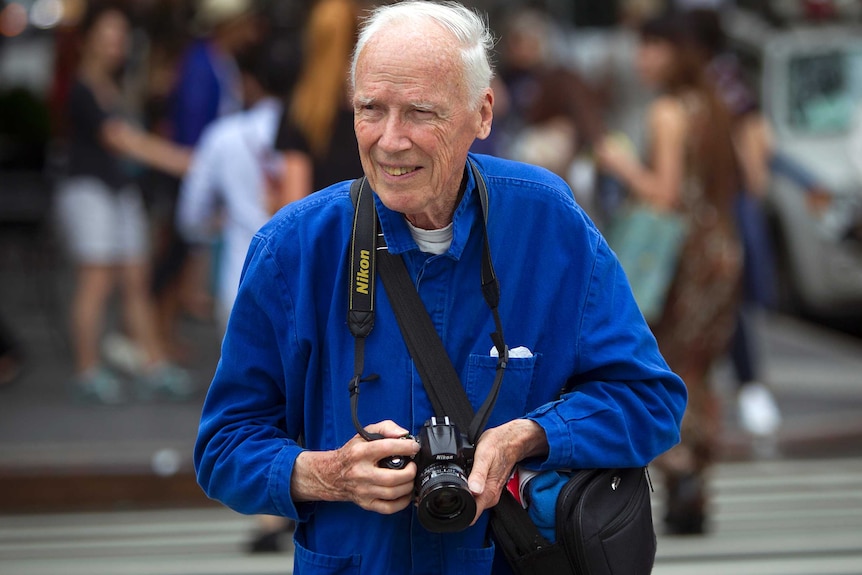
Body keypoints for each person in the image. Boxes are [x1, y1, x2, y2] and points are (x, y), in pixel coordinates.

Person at [194, 2, 685, 573]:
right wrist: (328, 475)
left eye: (420, 112)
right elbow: (223, 447)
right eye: (370, 110)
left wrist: (532, 435)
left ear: (483, 114)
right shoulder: (294, 250)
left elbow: (651, 401)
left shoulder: (547, 223)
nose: (390, 140)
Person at [596, 12, 742, 534]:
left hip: (681, 259)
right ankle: (696, 482)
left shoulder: (668, 112)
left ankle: (681, 479)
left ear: (674, 52)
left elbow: (666, 194)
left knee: (669, 367)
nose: (642, 59)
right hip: (721, 250)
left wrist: (619, 164)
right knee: (700, 369)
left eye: (651, 47)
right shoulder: (714, 107)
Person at [54, 2, 195, 404]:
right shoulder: (81, 88)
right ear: (88, 40)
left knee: (136, 278)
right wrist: (183, 160)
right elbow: (121, 140)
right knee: (97, 280)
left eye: (120, 36)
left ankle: (153, 363)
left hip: (118, 191)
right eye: (108, 35)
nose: (116, 44)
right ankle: (87, 369)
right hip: (88, 191)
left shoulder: (116, 85)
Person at [151, 0, 260, 360]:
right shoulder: (202, 62)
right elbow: (195, 125)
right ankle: (158, 335)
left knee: (183, 256)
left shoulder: (218, 59)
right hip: (190, 169)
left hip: (202, 166)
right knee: (175, 255)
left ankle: (165, 334)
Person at [272, 0, 364, 204]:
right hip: (374, 224)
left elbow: (294, 199)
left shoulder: (301, 108)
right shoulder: (373, 102)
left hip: (327, 227)